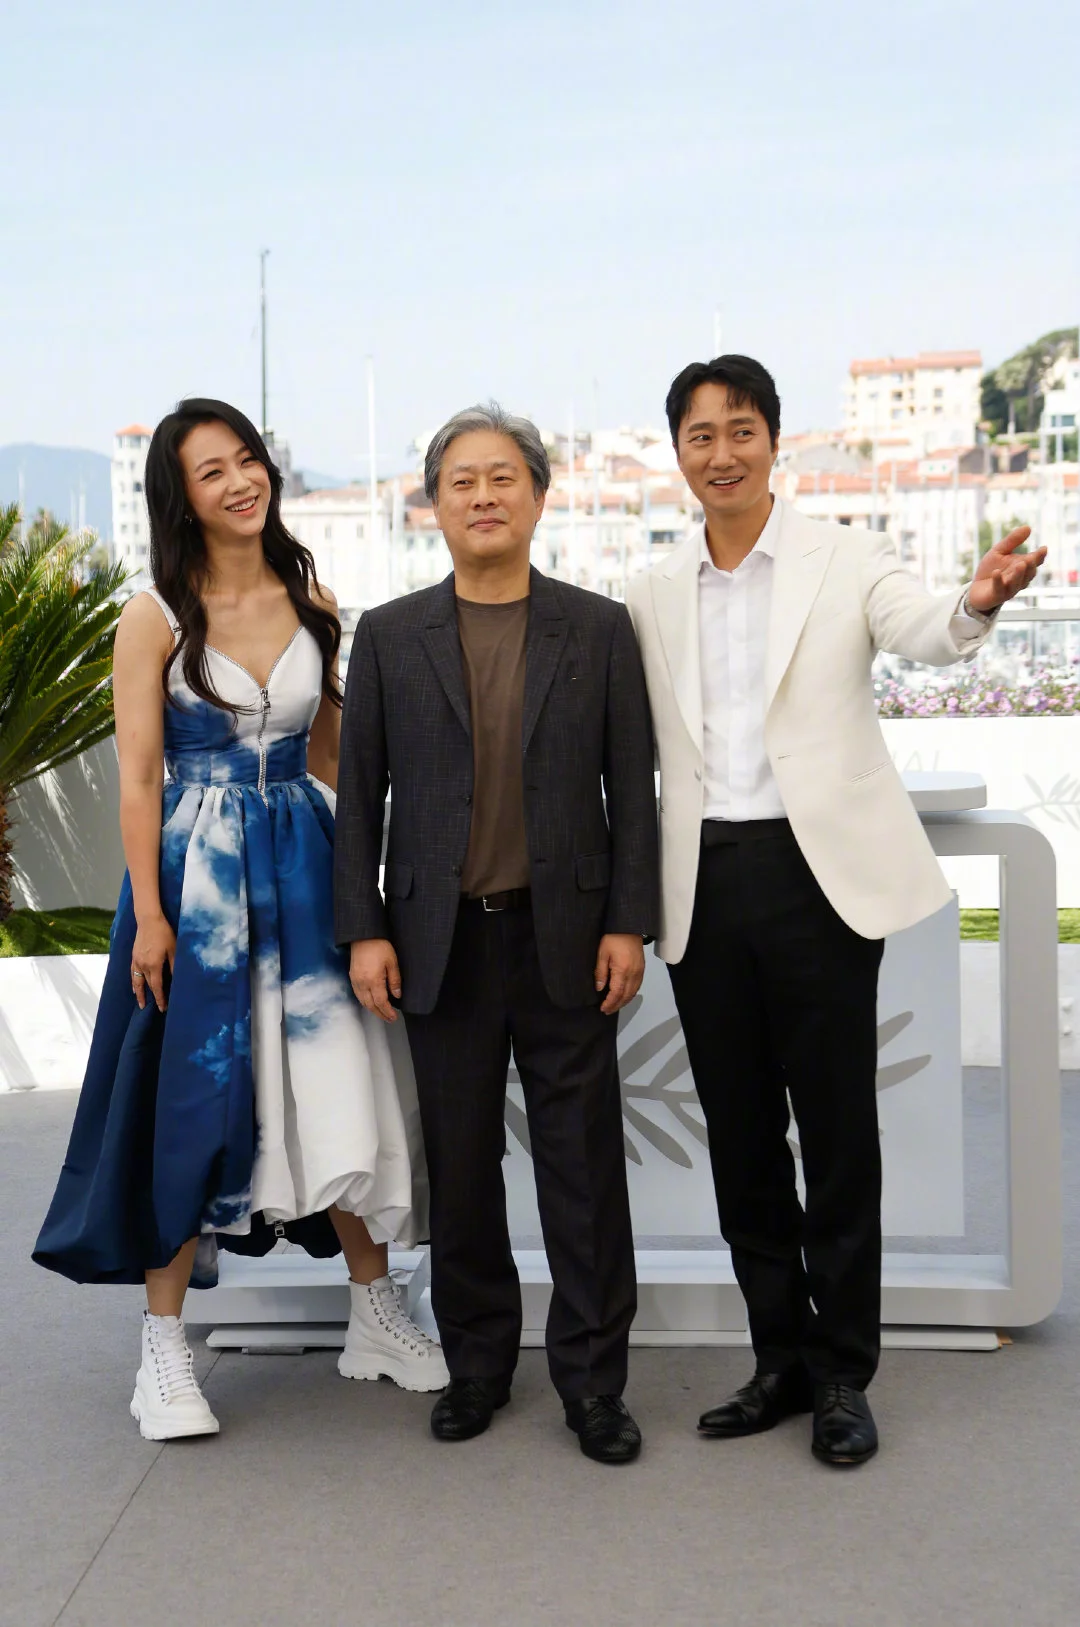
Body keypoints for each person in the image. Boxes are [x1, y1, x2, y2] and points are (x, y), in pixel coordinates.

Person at [625, 355, 1045, 1468]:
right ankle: (778, 1361)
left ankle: (845, 1373)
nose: (723, 453)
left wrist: (975, 603)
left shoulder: (844, 556)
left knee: (839, 1133)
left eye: (742, 430)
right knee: (742, 1140)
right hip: (701, 882)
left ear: (776, 442)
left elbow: (923, 627)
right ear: (678, 453)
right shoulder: (650, 589)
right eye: (701, 435)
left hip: (816, 879)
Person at [34, 398, 448, 1440]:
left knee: (335, 1078)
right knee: (188, 1101)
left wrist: (372, 886)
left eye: (247, 458)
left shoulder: (313, 598)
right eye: (210, 470)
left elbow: (333, 757)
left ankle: (373, 1314)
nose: (238, 480)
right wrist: (152, 916)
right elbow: (138, 779)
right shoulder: (153, 616)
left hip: (306, 864)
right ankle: (162, 1350)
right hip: (197, 883)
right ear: (180, 497)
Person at [334, 402, 659, 1464]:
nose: (483, 496)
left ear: (539, 495)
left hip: (568, 934)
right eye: (462, 481)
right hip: (440, 943)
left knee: (583, 1169)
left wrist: (630, 921)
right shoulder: (390, 636)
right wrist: (365, 929)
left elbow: (633, 791)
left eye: (502, 477)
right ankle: (477, 1363)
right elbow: (359, 797)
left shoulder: (598, 628)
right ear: (433, 504)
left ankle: (595, 1384)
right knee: (463, 1166)